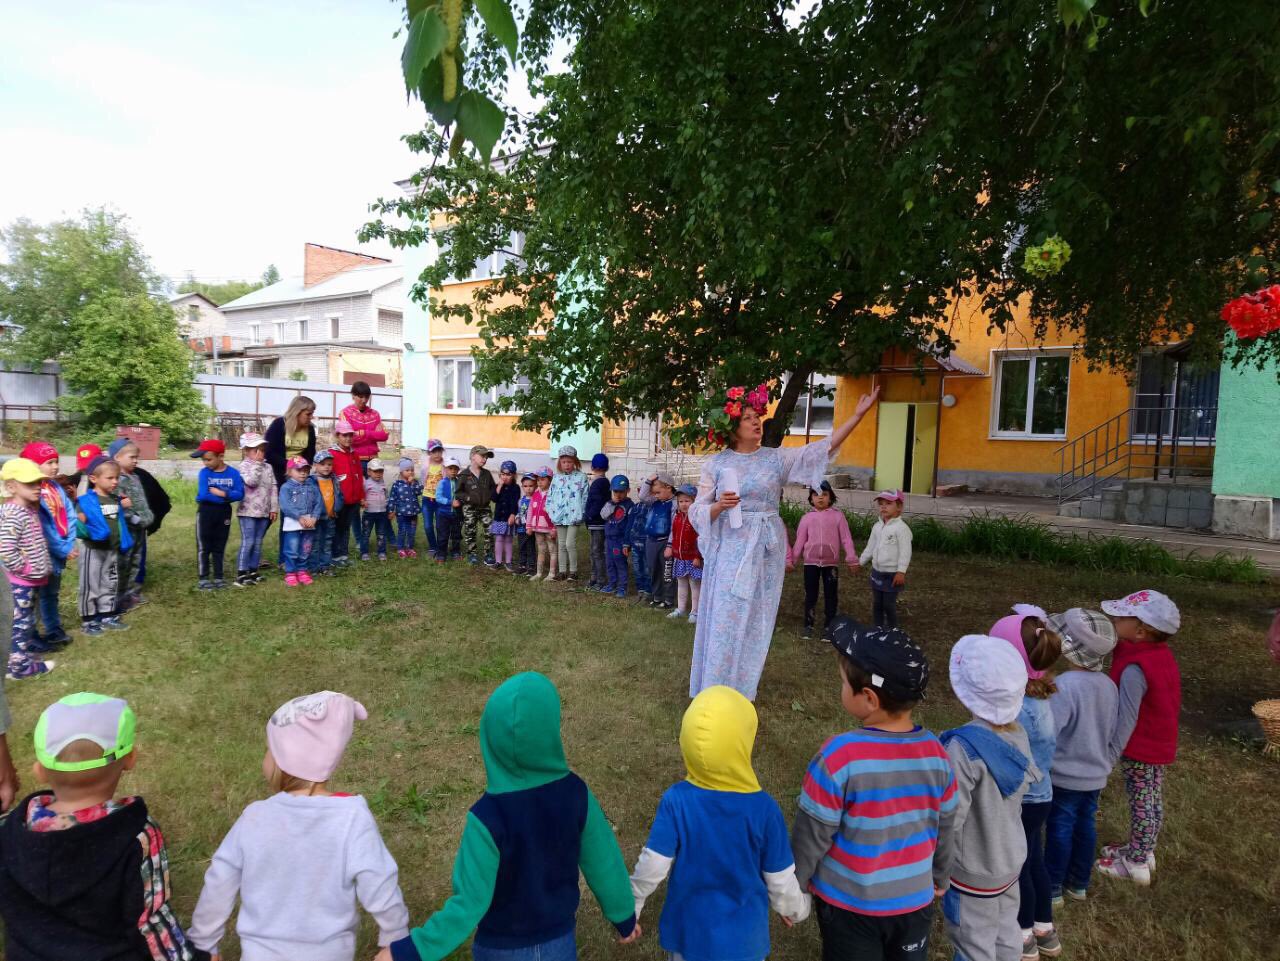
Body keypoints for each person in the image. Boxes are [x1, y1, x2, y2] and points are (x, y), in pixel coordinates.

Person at [376, 672, 638, 961]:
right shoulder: (576, 794)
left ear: (489, 736)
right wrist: (624, 918)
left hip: (499, 950)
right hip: (559, 944)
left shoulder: (486, 817)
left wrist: (409, 950)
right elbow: (605, 863)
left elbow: (468, 903)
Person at [690, 384, 880, 701]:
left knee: (755, 617)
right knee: (725, 615)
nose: (756, 422)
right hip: (731, 547)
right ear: (732, 428)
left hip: (765, 548)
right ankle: (713, 689)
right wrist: (718, 506)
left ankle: (740, 689)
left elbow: (821, 449)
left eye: (756, 416)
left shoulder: (776, 459)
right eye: (748, 418)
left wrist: (858, 415)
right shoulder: (717, 464)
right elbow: (696, 511)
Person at [189, 691, 408, 960]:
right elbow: (379, 881)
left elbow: (219, 881)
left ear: (284, 760)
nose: (265, 758)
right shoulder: (351, 817)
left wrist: (202, 943)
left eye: (269, 749)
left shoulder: (255, 818)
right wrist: (396, 939)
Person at [792, 617, 954, 961]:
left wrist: (796, 882)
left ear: (868, 698)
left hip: (850, 905)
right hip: (914, 902)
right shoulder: (938, 754)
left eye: (842, 683)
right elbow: (946, 824)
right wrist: (941, 874)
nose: (840, 689)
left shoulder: (838, 757)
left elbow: (813, 833)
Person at [0, 692, 200, 960]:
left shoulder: (10, 832)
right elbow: (150, 921)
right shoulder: (138, 837)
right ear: (130, 759)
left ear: (39, 770)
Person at [631, 686, 809, 961]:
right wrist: (797, 908)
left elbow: (654, 863)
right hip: (743, 943)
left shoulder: (676, 800)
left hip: (688, 937)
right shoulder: (765, 810)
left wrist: (633, 902)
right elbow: (780, 879)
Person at [937, 634, 1037, 961]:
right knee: (1007, 933)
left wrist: (937, 869)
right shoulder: (1018, 733)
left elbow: (950, 819)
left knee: (972, 945)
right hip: (1010, 860)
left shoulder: (960, 749)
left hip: (972, 871)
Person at [990, 606, 1063, 960]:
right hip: (1042, 795)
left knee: (1017, 866)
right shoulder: (1042, 697)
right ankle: (1044, 927)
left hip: (1021, 801)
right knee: (1034, 859)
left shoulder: (1016, 708)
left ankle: (1021, 935)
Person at [1098, 589, 1182, 887]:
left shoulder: (1136, 667)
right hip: (1157, 742)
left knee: (1142, 801)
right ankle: (1143, 850)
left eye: (1121, 616)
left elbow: (1127, 716)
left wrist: (1111, 753)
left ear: (1141, 631)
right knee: (1151, 797)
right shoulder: (1155, 654)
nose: (1114, 618)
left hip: (1141, 746)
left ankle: (1135, 864)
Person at [1043, 608, 1119, 909]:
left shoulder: (1065, 686)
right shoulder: (1109, 685)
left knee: (1060, 828)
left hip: (1064, 776)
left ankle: (1052, 888)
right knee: (1085, 825)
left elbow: (1050, 731)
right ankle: (1079, 883)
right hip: (1095, 775)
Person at [1, 458, 56, 680]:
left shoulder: (28, 510)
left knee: (24, 621)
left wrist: (42, 567)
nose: (37, 487)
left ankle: (16, 657)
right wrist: (25, 568)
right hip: (19, 582)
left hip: (29, 580)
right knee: (20, 623)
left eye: (38, 483)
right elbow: (5, 548)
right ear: (12, 486)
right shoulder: (14, 514)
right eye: (29, 483)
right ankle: (18, 668)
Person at [785, 481, 857, 640]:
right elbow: (799, 541)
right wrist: (791, 561)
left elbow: (846, 539)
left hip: (830, 565)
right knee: (811, 594)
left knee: (831, 596)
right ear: (811, 498)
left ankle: (829, 626)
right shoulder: (806, 518)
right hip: (810, 564)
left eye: (824, 494)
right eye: (816, 494)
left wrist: (852, 559)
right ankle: (808, 625)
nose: (820, 498)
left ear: (830, 497)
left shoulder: (838, 516)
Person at [22, 443, 76, 651]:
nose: (54, 467)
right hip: (42, 553)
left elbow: (69, 514)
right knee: (33, 597)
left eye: (56, 462)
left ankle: (53, 630)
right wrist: (63, 548)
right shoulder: (34, 493)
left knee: (51, 593)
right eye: (49, 463)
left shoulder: (54, 487)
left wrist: (70, 540)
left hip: (59, 550)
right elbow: (44, 528)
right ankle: (30, 636)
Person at [77, 456, 133, 635]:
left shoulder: (114, 499)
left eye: (116, 478)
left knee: (109, 583)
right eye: (110, 478)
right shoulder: (86, 501)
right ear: (94, 479)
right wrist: (82, 521)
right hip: (93, 550)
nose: (115, 481)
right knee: (90, 584)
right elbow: (79, 523)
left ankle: (107, 615)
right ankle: (89, 620)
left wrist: (123, 506)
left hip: (111, 549)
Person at [107, 438, 153, 612]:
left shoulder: (134, 477)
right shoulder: (115, 480)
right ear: (117, 458)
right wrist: (133, 519)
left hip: (140, 528)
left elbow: (140, 501)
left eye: (136, 457)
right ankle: (119, 596)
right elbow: (116, 503)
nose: (136, 461)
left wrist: (146, 517)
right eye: (132, 457)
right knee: (123, 562)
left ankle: (133, 593)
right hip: (126, 530)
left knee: (137, 560)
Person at [191, 439, 243, 590]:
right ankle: (204, 577)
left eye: (208, 459)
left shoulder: (233, 473)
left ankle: (219, 577)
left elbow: (240, 494)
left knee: (219, 545)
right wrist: (227, 497)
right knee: (204, 546)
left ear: (221, 456)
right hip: (206, 512)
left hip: (224, 513)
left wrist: (221, 493)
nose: (205, 463)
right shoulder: (204, 473)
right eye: (203, 460)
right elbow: (203, 495)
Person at [859, 490, 911, 629]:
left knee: (888, 604)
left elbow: (906, 552)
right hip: (877, 572)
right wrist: (860, 562)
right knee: (877, 603)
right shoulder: (877, 527)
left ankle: (893, 630)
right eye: (881, 504)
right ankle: (878, 628)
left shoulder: (902, 529)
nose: (883, 507)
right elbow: (870, 547)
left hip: (892, 574)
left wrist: (901, 571)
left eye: (888, 503)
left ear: (899, 507)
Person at [234, 431, 278, 588]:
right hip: (247, 512)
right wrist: (258, 464)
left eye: (262, 449)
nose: (260, 453)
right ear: (246, 451)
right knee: (249, 541)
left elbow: (273, 487)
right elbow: (252, 482)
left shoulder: (268, 467)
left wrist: (273, 508)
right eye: (255, 450)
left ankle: (253, 571)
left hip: (263, 512)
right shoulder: (244, 466)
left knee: (258, 542)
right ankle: (241, 573)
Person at [547, 445, 590, 582]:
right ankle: (562, 571)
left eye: (570, 462)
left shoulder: (581, 477)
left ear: (575, 462)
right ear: (560, 462)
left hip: (574, 516)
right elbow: (550, 496)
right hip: (559, 515)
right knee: (561, 544)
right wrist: (550, 510)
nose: (567, 465)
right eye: (564, 462)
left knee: (569, 543)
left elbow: (585, 497)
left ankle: (573, 571)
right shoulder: (556, 478)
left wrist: (581, 513)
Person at [279, 458, 322, 586]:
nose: (303, 473)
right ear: (289, 471)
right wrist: (299, 517)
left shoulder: (312, 486)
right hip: (293, 524)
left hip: (309, 523)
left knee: (305, 548)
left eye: (306, 470)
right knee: (292, 549)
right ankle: (291, 572)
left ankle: (302, 571)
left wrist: (314, 517)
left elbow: (318, 503)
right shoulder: (286, 487)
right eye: (299, 470)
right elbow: (285, 505)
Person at [665, 484, 703, 623]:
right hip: (680, 558)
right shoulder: (677, 517)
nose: (683, 504)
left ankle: (695, 612)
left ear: (694, 501)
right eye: (681, 501)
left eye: (687, 501)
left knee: (695, 585)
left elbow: (702, 538)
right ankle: (681, 609)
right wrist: (671, 548)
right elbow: (674, 534)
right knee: (681, 584)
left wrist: (698, 556)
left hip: (693, 558)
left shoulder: (697, 518)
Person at [638, 472, 676, 609]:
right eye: (654, 493)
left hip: (665, 542)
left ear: (668, 487)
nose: (655, 495)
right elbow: (642, 496)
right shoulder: (655, 501)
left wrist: (670, 545)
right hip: (651, 541)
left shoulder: (674, 504)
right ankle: (657, 596)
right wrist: (648, 480)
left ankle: (669, 600)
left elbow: (673, 527)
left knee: (667, 572)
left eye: (658, 492)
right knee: (653, 570)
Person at [330, 420, 365, 566]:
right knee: (336, 528)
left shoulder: (355, 455)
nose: (348, 438)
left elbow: (359, 476)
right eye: (344, 435)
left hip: (353, 500)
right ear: (338, 436)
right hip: (339, 500)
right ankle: (334, 556)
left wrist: (361, 496)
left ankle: (343, 555)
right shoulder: (331, 454)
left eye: (350, 435)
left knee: (345, 528)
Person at [456, 445, 497, 567]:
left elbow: (492, 488)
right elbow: (458, 492)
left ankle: (488, 554)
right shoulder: (464, 475)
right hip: (469, 508)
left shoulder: (487, 474)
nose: (484, 459)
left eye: (486, 457)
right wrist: (468, 498)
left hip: (485, 508)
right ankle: (472, 554)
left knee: (490, 530)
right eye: (482, 456)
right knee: (470, 530)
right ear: (473, 456)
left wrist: (489, 496)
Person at [266, 395, 318, 489]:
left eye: (312, 414)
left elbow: (311, 454)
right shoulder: (278, 424)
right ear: (297, 412)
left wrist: (301, 468)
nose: (311, 417)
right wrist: (289, 466)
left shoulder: (310, 429)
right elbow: (268, 452)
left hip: (301, 471)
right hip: (279, 471)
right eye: (308, 414)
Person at [340, 381, 389, 474]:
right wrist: (374, 434)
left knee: (375, 488)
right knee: (357, 488)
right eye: (361, 397)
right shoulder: (345, 413)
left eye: (367, 397)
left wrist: (364, 433)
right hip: (355, 459)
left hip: (374, 461)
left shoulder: (375, 414)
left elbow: (384, 435)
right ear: (353, 396)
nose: (364, 400)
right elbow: (347, 438)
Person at [309, 451, 344, 577]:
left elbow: (339, 496)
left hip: (330, 518)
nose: (326, 467)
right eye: (322, 464)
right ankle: (313, 567)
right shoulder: (311, 481)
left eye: (329, 464)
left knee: (327, 542)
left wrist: (336, 509)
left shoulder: (334, 480)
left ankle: (325, 566)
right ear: (315, 465)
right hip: (317, 518)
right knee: (316, 543)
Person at [599, 475, 633, 598]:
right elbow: (603, 515)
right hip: (609, 539)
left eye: (621, 492)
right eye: (615, 491)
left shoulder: (630, 505)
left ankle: (622, 587)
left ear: (627, 491)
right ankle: (612, 584)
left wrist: (627, 543)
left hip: (620, 540)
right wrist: (612, 504)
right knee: (610, 562)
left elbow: (630, 525)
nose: (618, 494)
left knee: (620, 563)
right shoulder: (609, 503)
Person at [583, 454, 611, 590]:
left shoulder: (597, 483)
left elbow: (597, 502)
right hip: (599, 522)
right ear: (607, 467)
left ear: (592, 467)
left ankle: (600, 580)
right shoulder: (605, 482)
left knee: (597, 552)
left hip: (597, 523)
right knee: (595, 551)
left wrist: (588, 516)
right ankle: (594, 577)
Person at [389, 458, 424, 558]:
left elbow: (419, 492)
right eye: (407, 470)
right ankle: (400, 548)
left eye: (412, 470)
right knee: (402, 530)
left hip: (413, 513)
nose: (410, 472)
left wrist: (412, 483)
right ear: (401, 471)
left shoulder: (415, 482)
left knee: (412, 531)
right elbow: (392, 498)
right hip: (401, 513)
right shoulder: (396, 484)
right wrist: (391, 511)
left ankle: (410, 548)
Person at [527, 466, 557, 582]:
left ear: (550, 480)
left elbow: (556, 512)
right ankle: (539, 573)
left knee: (552, 550)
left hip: (550, 528)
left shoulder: (553, 494)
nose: (539, 482)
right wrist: (529, 525)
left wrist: (554, 528)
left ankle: (552, 573)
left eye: (543, 479)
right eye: (538, 479)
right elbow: (530, 510)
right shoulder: (535, 494)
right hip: (537, 528)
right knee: (541, 550)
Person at [490, 460, 520, 572]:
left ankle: (508, 562)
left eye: (508, 474)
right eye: (503, 474)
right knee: (498, 539)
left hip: (509, 518)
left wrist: (513, 515)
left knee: (508, 540)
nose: (505, 477)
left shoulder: (515, 488)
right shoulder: (498, 486)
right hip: (499, 518)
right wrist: (499, 486)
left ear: (514, 475)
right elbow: (494, 498)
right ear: (500, 475)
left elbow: (515, 502)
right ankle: (498, 561)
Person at [361, 459, 392, 561]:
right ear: (369, 472)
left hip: (382, 513)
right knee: (366, 534)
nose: (378, 474)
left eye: (381, 471)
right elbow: (361, 496)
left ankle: (381, 552)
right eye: (375, 471)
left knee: (381, 533)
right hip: (369, 513)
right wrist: (362, 501)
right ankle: (364, 552)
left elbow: (387, 496)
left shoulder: (383, 483)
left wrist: (389, 509)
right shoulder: (366, 483)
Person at [432, 457, 462, 563]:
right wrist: (450, 502)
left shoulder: (460, 483)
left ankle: (456, 552)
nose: (453, 471)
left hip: (456, 514)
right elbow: (438, 497)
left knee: (456, 534)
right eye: (450, 468)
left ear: (458, 470)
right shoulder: (442, 483)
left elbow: (463, 495)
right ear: (445, 469)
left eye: (455, 469)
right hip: (443, 514)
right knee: (443, 535)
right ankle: (441, 554)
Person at [420, 439, 446, 557]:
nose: (437, 454)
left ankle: (441, 547)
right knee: (427, 525)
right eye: (434, 451)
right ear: (429, 453)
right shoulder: (425, 466)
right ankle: (433, 547)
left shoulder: (445, 466)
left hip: (440, 501)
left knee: (440, 525)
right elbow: (422, 480)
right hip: (427, 500)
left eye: (439, 451)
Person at [628, 493, 652, 601]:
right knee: (637, 568)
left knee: (647, 569)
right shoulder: (635, 507)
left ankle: (648, 592)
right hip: (635, 543)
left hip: (647, 543)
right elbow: (629, 525)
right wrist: (626, 542)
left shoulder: (653, 507)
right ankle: (640, 590)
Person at [513, 472, 537, 576]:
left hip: (530, 528)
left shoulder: (536, 499)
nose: (528, 488)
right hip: (521, 528)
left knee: (530, 547)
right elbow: (519, 511)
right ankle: (522, 565)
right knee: (522, 546)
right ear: (522, 487)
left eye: (531, 486)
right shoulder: (520, 500)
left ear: (535, 486)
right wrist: (517, 518)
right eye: (525, 486)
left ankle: (531, 566)